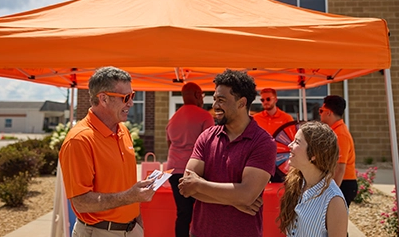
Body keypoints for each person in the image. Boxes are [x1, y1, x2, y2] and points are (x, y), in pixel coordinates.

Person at [178, 69, 276, 237]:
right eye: (215, 99)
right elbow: (186, 188)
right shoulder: (207, 136)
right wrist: (235, 200)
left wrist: (199, 185)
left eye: (221, 100)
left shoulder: (263, 142)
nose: (215, 106)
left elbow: (246, 195)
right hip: (200, 233)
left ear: (242, 103)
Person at [59, 67, 156, 237]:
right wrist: (130, 197)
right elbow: (81, 202)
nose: (131, 103)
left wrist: (137, 223)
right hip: (99, 232)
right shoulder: (79, 140)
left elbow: (125, 186)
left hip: (131, 229)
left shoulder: (123, 131)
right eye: (126, 98)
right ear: (103, 98)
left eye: (132, 96)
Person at [277, 121, 348, 237]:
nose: (290, 145)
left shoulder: (334, 201)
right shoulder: (297, 184)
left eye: (297, 142)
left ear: (314, 154)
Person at [166, 82, 214, 237]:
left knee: (183, 214)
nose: (202, 99)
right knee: (203, 214)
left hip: (174, 170)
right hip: (196, 172)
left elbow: (169, 143)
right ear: (196, 95)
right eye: (201, 95)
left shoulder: (173, 118)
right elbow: (212, 146)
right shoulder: (204, 116)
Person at [319, 95, 358, 207]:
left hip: (343, 183)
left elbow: (340, 167)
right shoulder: (335, 131)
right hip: (340, 182)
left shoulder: (340, 134)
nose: (320, 113)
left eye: (321, 110)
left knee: (336, 221)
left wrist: (332, 192)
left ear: (329, 113)